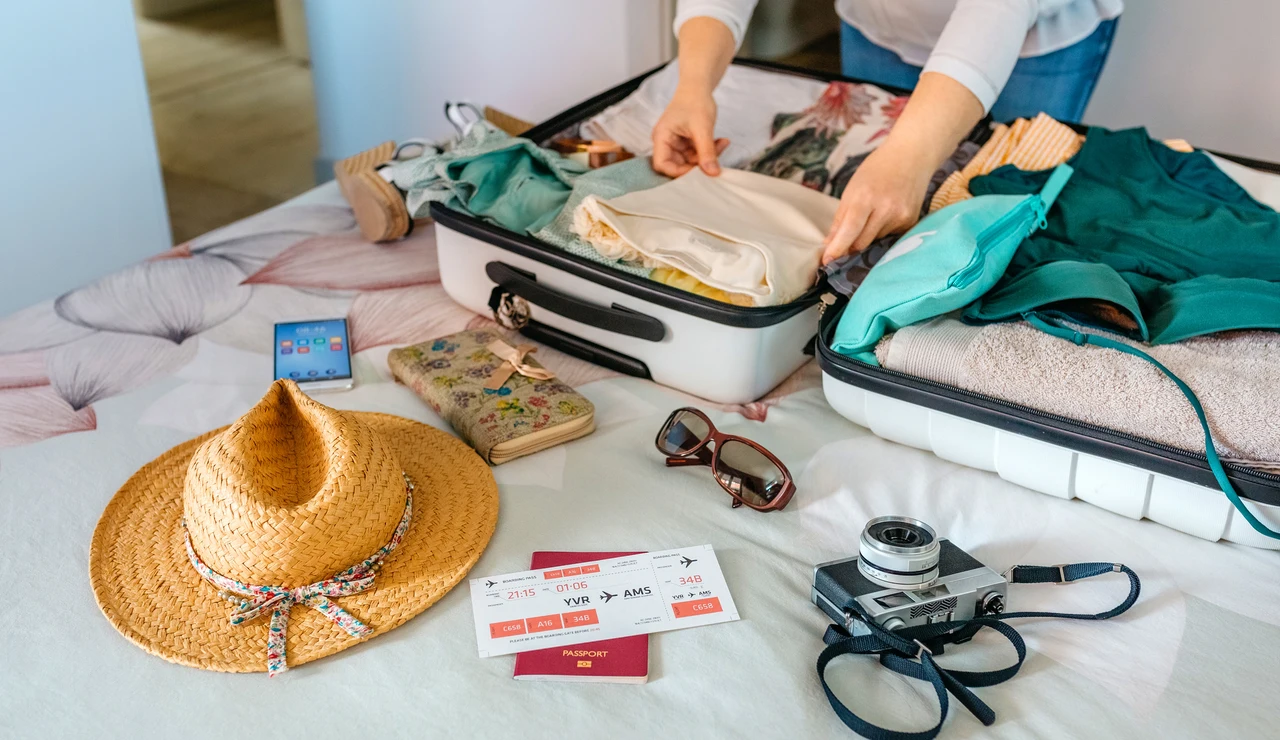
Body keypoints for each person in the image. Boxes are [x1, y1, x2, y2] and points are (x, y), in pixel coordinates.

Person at [653, 0, 1121, 264]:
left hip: (1033, 35)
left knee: (1006, 211)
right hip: (878, 21)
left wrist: (909, 155)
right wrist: (694, 84)